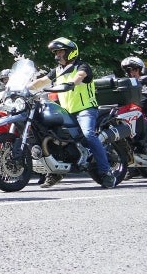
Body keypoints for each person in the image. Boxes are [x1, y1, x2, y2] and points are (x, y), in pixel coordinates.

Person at [37, 37, 115, 189]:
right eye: (56, 52)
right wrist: (23, 87)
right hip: (66, 111)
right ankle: (56, 171)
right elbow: (41, 81)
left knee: (88, 135)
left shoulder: (82, 66)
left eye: (60, 52)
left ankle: (106, 173)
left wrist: (72, 83)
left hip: (85, 109)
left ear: (70, 52)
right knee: (50, 133)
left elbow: (80, 76)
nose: (57, 55)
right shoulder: (58, 70)